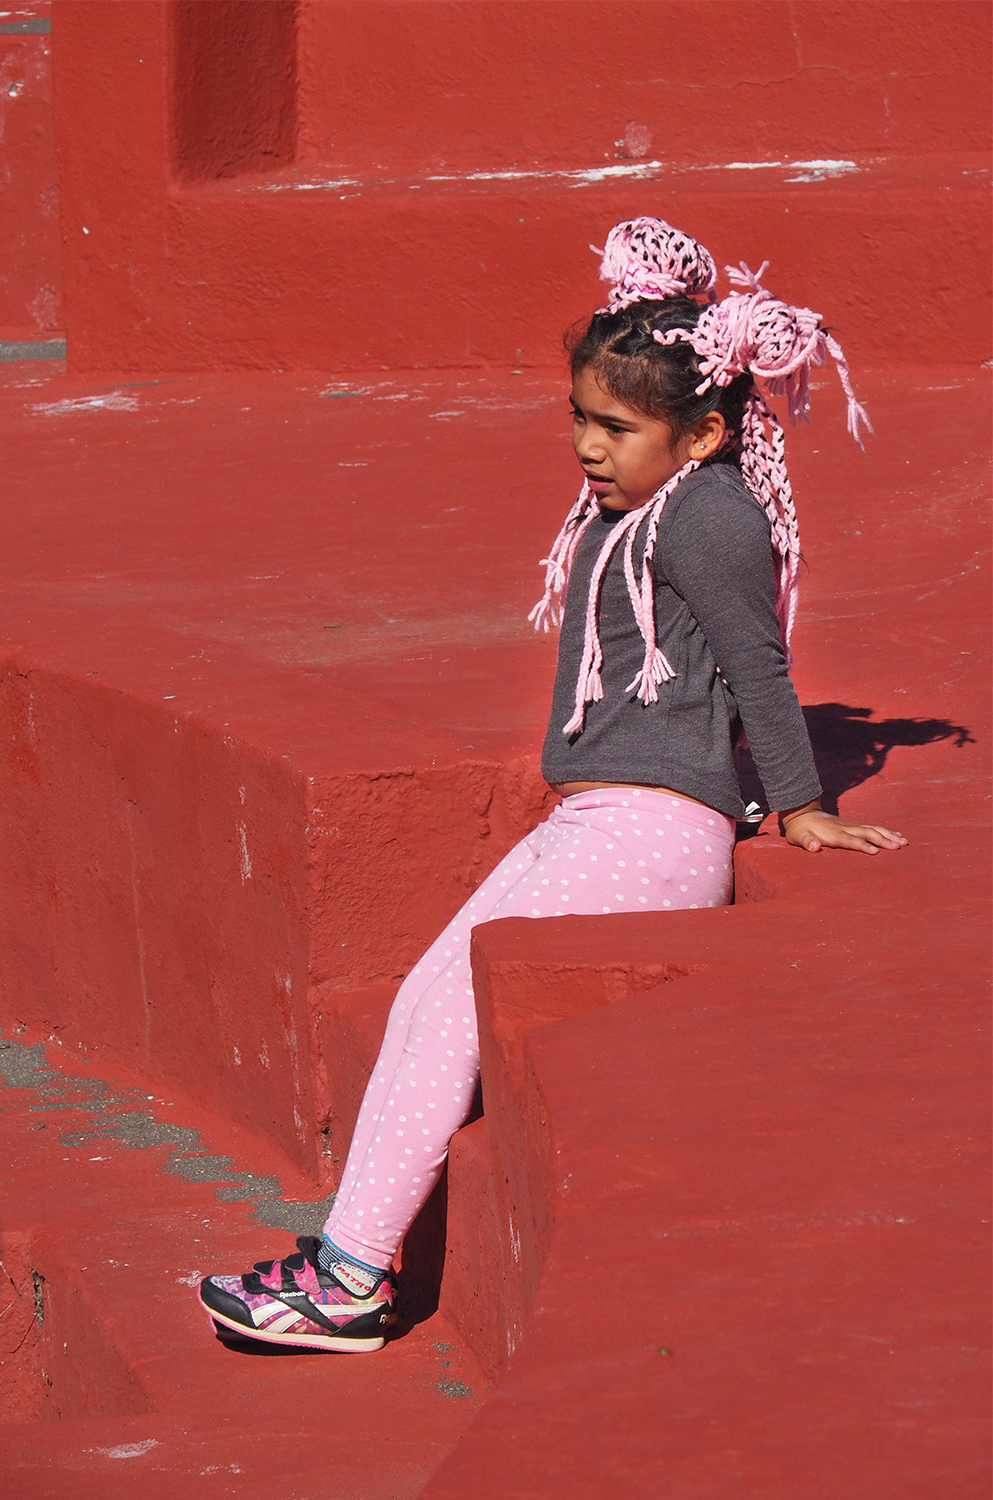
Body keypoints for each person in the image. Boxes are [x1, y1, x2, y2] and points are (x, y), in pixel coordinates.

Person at [197, 216, 907, 1353]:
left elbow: (756, 665)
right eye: (579, 415)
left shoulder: (710, 514)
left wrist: (799, 804)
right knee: (425, 1001)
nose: (587, 444)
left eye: (616, 427)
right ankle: (345, 1261)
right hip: (594, 813)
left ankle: (349, 1279)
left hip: (653, 826)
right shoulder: (641, 503)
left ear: (704, 431)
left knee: (444, 1021)